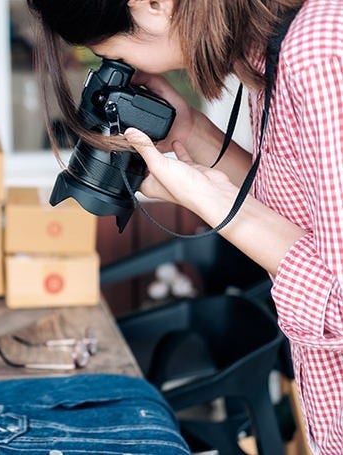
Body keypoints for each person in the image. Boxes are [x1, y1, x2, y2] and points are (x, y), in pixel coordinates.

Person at [26, 0, 343, 452]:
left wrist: (208, 200)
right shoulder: (270, 53)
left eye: (115, 53)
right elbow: (306, 223)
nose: (124, 70)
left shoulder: (319, 54)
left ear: (154, 4)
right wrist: (192, 132)